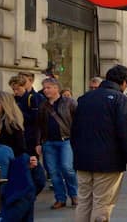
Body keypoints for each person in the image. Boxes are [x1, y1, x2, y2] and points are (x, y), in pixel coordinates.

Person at [71, 65, 127, 222]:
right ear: (123, 82)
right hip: (109, 161)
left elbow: (74, 130)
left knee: (84, 202)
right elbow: (126, 133)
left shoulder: (84, 98)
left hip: (83, 159)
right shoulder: (120, 99)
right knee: (103, 203)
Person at [36, 78, 78, 210]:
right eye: (44, 87)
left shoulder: (70, 102)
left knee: (67, 168)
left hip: (66, 140)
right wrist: (38, 142)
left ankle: (74, 195)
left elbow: (78, 121)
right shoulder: (43, 105)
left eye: (48, 87)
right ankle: (60, 198)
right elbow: (39, 126)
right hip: (48, 142)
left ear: (56, 88)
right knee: (53, 172)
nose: (45, 90)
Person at [12, 73, 47, 197]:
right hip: (20, 136)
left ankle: (31, 188)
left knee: (32, 164)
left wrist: (18, 112)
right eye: (13, 89)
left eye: (18, 89)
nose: (15, 92)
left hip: (30, 136)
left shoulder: (32, 98)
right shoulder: (14, 99)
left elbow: (36, 119)